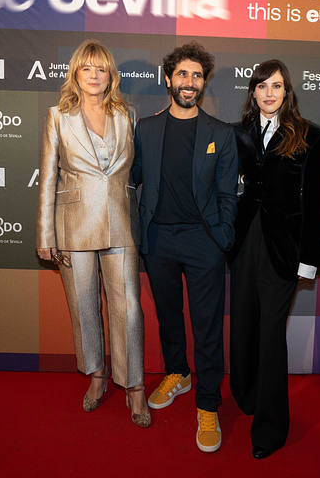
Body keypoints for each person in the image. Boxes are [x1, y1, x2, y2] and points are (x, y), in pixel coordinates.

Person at [36, 40, 150, 428]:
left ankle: (134, 386)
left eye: (101, 69)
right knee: (84, 309)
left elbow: (135, 174)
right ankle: (97, 376)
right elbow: (48, 178)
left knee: (128, 308)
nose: (95, 75)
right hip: (73, 226)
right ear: (76, 74)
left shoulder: (127, 114)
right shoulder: (57, 116)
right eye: (87, 68)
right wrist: (44, 233)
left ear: (110, 76)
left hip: (120, 221)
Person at [132, 41, 238, 452]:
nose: (189, 82)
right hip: (157, 238)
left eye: (196, 75)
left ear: (204, 82)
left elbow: (228, 195)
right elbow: (133, 178)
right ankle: (178, 372)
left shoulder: (220, 133)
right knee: (169, 316)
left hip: (203, 241)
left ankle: (208, 404)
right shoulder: (147, 128)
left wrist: (222, 238)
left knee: (207, 325)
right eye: (182, 74)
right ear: (168, 78)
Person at [229, 59, 320, 459]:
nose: (269, 93)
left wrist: (310, 259)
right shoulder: (238, 134)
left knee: (271, 336)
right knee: (244, 324)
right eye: (261, 86)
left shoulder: (313, 137)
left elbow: (319, 204)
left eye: (277, 86)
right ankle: (247, 395)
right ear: (252, 92)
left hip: (283, 249)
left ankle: (269, 430)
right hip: (243, 244)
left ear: (287, 91)